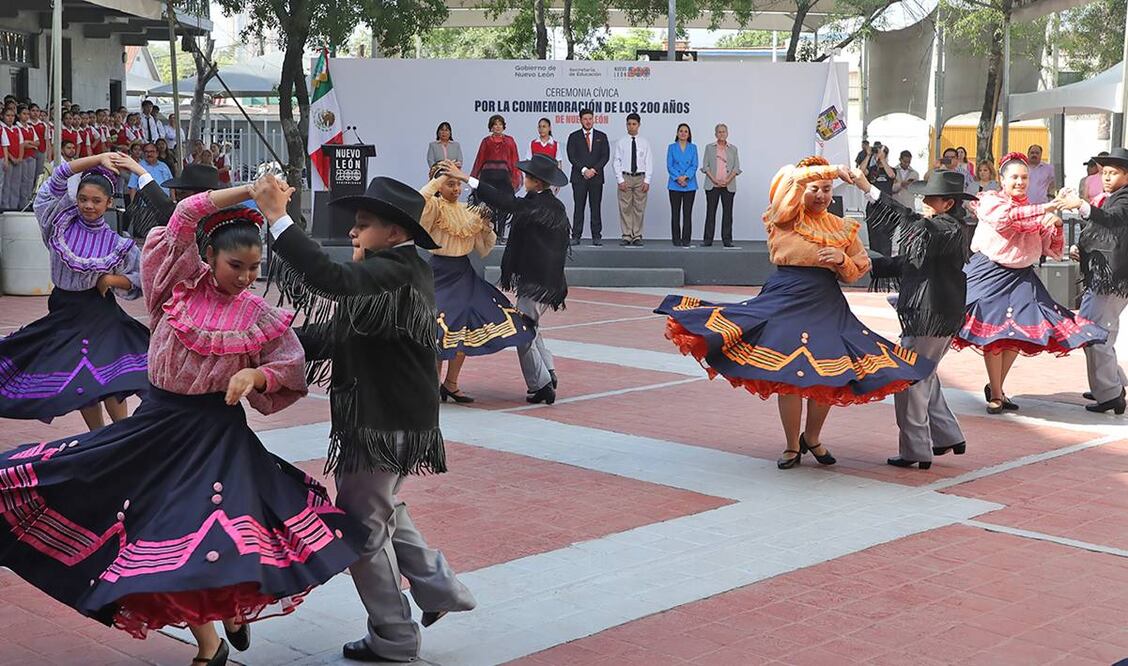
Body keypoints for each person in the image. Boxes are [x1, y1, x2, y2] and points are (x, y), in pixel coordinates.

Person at [0, 170, 367, 666]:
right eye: (236, 265)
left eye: (255, 268)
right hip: (158, 426)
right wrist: (251, 193)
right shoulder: (172, 286)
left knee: (205, 536)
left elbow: (290, 364)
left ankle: (225, 617)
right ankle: (212, 638)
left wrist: (256, 379)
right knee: (151, 531)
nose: (245, 276)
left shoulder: (255, 311)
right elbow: (184, 215)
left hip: (216, 438)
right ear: (209, 256)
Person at [269, 174, 475, 663]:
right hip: (395, 421)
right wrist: (261, 345)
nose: (354, 235)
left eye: (363, 226)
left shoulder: (396, 270)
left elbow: (330, 279)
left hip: (384, 424)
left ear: (396, 234)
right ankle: (439, 587)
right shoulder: (397, 271)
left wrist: (278, 218)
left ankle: (393, 635)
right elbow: (340, 332)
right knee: (380, 507)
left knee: (361, 531)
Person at [655, 156, 934, 469]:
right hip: (786, 296)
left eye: (827, 189)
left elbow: (857, 271)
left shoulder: (841, 227)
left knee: (830, 373)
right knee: (789, 373)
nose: (821, 194)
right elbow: (788, 178)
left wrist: (840, 260)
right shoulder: (785, 215)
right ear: (802, 188)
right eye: (815, 187)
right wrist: (831, 170)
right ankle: (791, 445)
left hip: (826, 302)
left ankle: (811, 438)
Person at [0, 154, 149, 429]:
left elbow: (142, 278)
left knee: (109, 376)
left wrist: (112, 280)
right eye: (83, 199)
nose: (88, 206)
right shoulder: (58, 224)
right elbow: (54, 181)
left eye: (96, 201)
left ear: (108, 204)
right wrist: (97, 159)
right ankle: (98, 436)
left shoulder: (116, 242)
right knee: (80, 380)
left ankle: (123, 434)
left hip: (100, 312)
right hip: (65, 309)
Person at [954, 152, 1106, 413]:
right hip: (990, 272)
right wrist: (1049, 208)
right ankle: (997, 392)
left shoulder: (1035, 208)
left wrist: (1055, 224)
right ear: (1002, 180)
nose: (1020, 182)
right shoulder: (991, 200)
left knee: (1019, 331)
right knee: (994, 332)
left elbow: (1050, 248)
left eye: (1024, 177)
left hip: (1022, 275)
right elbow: (1008, 219)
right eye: (1014, 177)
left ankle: (997, 388)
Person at [856, 169, 972, 469]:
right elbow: (910, 264)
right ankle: (947, 435)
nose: (924, 202)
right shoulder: (940, 227)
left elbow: (907, 221)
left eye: (930, 198)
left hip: (930, 315)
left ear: (947, 203)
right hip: (933, 314)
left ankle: (916, 449)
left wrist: (870, 189)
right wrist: (870, 265)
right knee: (925, 374)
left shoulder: (947, 228)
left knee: (910, 380)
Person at [444, 154, 571, 405]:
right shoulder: (553, 206)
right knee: (532, 327)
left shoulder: (536, 206)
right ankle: (549, 372)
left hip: (538, 283)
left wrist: (467, 179)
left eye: (527, 177)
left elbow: (504, 201)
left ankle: (542, 384)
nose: (524, 180)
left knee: (522, 332)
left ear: (537, 182)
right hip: (549, 282)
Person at [421, 162, 535, 403]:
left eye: (457, 184)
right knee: (440, 328)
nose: (455, 189)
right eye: (449, 184)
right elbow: (420, 200)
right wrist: (437, 181)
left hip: (463, 273)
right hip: (439, 273)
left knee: (464, 327)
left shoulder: (467, 211)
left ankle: (450, 384)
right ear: (439, 186)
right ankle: (430, 386)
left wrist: (485, 226)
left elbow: (482, 250)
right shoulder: (433, 206)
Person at [1061, 148, 1128, 414]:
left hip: (1112, 279)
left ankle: (1110, 391)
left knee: (1095, 332)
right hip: (1105, 278)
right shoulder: (1115, 197)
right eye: (1105, 173)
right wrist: (1082, 248)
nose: (1107, 178)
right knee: (1095, 330)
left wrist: (1082, 205)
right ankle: (1110, 384)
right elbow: (1103, 230)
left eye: (1113, 173)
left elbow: (1112, 220)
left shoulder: (1124, 199)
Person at [469, 114, 520, 243]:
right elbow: (479, 159)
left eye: (500, 124)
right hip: (488, 176)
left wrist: (516, 177)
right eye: (495, 124)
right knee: (489, 206)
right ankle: (491, 235)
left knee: (504, 205)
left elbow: (514, 160)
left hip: (503, 177)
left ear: (504, 126)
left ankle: (501, 234)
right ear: (491, 127)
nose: (497, 126)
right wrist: (474, 178)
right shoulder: (486, 141)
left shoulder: (510, 140)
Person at [566, 108, 610, 246]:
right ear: (580, 120)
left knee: (595, 207)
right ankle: (576, 236)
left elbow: (605, 156)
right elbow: (571, 156)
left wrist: (593, 170)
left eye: (590, 118)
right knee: (579, 207)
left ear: (594, 119)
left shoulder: (601, 136)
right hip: (579, 178)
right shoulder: (573, 136)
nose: (588, 121)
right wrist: (584, 170)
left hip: (596, 177)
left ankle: (596, 236)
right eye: (585, 119)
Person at [614, 113, 652, 247]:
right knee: (625, 207)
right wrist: (620, 180)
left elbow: (649, 162)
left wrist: (647, 180)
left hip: (640, 177)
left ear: (639, 125)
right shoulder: (621, 142)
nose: (631, 126)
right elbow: (616, 161)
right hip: (626, 176)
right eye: (629, 124)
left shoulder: (644, 142)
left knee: (639, 207)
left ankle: (636, 235)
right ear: (626, 125)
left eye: (634, 124)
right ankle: (626, 235)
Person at [701, 123, 741, 247]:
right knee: (710, 212)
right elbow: (705, 166)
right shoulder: (709, 148)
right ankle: (708, 240)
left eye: (724, 131)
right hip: (713, 185)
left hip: (728, 186)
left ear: (727, 133)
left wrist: (727, 180)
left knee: (727, 214)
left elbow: (736, 167)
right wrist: (715, 180)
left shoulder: (733, 149)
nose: (721, 134)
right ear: (715, 134)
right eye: (719, 132)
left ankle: (727, 240)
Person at [667, 122, 698, 247]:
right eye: (681, 131)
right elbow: (669, 165)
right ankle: (676, 239)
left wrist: (685, 177)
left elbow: (694, 165)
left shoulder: (693, 147)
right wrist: (678, 178)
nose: (683, 133)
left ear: (689, 134)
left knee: (687, 213)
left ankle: (686, 240)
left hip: (689, 185)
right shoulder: (671, 147)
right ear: (677, 133)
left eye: (686, 131)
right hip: (674, 185)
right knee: (675, 213)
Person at [865, 145, 897, 256]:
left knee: (886, 238)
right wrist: (869, 155)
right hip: (873, 206)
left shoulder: (891, 169)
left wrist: (883, 159)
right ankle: (875, 263)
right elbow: (860, 172)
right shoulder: (872, 170)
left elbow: (891, 175)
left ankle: (886, 263)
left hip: (886, 206)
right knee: (874, 237)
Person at [0, 105, 21, 210]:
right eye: (8, 115)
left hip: (6, 159)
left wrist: (17, 158)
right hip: (7, 158)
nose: (10, 118)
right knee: (5, 184)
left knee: (11, 184)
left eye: (12, 116)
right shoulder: (2, 127)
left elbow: (6, 144)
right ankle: (4, 205)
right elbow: (5, 146)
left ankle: (11, 206)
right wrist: (10, 158)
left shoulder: (14, 129)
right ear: (2, 116)